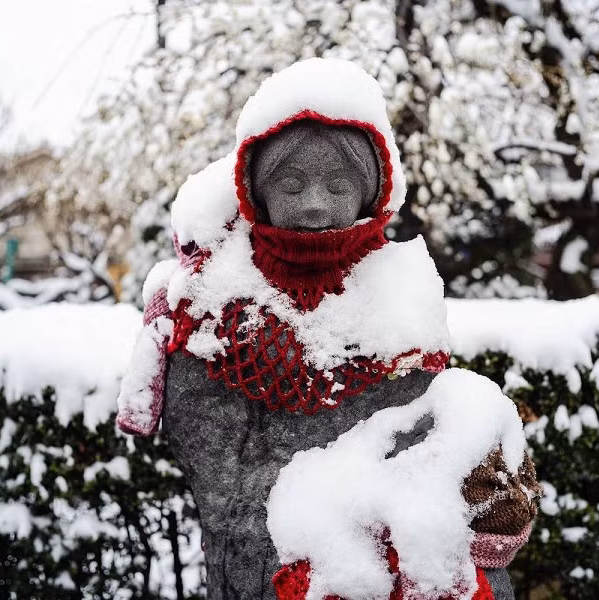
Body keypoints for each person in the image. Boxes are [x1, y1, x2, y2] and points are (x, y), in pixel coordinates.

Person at [117, 58, 539, 600]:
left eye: (338, 184)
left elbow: (419, 433)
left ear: (370, 193)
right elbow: (224, 485)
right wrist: (326, 534)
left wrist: (472, 474)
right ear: (256, 192)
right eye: (291, 183)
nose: (315, 204)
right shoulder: (212, 304)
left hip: (388, 541)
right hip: (268, 553)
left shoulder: (403, 292)